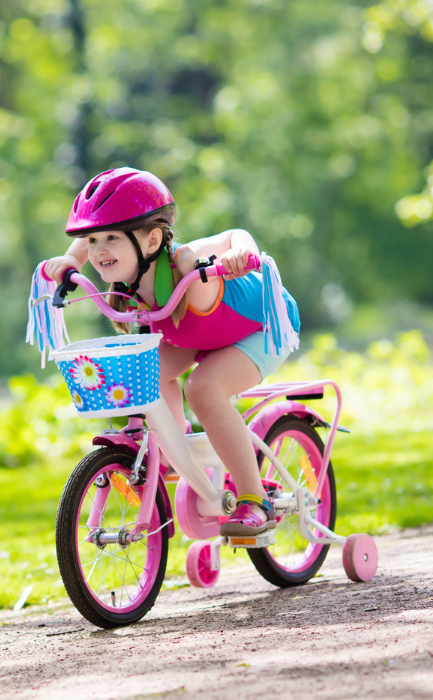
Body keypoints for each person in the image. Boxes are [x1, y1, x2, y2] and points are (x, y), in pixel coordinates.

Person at [43, 167, 300, 537]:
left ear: (151, 241)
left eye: (111, 238)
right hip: (197, 334)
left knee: (203, 389)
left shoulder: (183, 262)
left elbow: (232, 236)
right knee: (144, 371)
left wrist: (241, 252)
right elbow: (85, 246)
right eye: (93, 240)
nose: (98, 251)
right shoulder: (125, 276)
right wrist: (70, 260)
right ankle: (173, 443)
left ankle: (254, 499)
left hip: (258, 326)